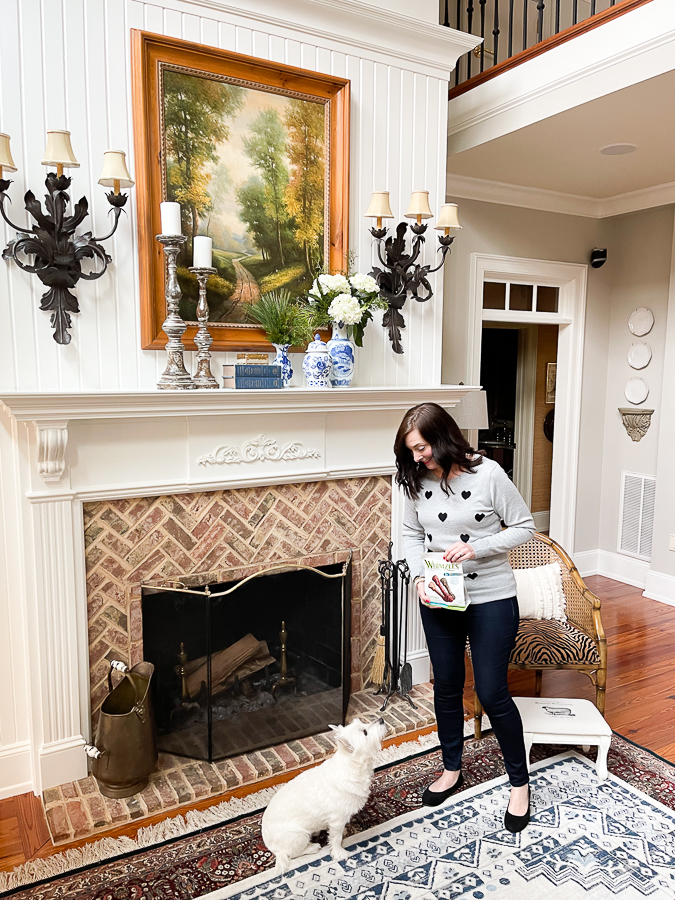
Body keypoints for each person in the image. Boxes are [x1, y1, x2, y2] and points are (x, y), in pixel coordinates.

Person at [394, 402, 535, 833]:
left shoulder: (489, 474)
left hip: (491, 596)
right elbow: (410, 535)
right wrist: (418, 578)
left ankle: (519, 783)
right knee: (448, 685)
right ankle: (452, 768)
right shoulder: (413, 480)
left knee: (492, 692)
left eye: (422, 447)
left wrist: (478, 547)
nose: (418, 457)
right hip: (438, 596)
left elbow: (525, 527)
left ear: (443, 436)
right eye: (411, 450)